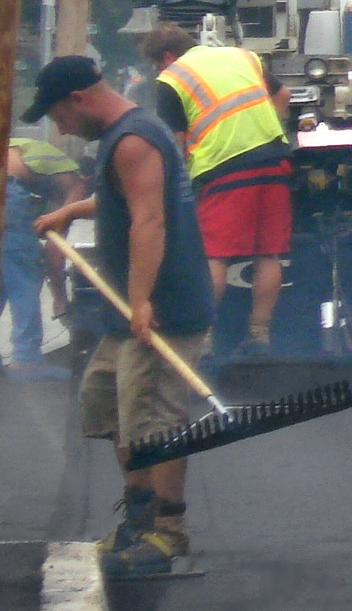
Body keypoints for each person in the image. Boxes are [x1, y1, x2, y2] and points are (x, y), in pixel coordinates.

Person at [29, 56, 215, 580]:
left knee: (156, 418)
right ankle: (139, 516)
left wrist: (141, 300)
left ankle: (168, 530)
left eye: (58, 116)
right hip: (129, 306)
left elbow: (149, 219)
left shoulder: (134, 140)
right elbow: (123, 197)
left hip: (161, 306)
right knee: (110, 405)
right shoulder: (126, 137)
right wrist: (71, 211)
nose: (61, 128)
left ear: (79, 99)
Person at [138, 24, 294, 355]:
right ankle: (260, 336)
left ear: (167, 57)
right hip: (274, 160)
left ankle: (203, 337)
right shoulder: (242, 56)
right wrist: (266, 132)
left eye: (156, 64)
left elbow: (175, 144)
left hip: (223, 168)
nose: (157, 71)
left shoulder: (172, 78)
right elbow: (283, 96)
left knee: (214, 255)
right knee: (268, 253)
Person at [3, 136, 87, 377]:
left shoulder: (31, 152)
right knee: (25, 273)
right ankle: (26, 360)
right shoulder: (78, 184)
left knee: (5, 269)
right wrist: (60, 299)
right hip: (7, 188)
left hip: (7, 182)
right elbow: (54, 251)